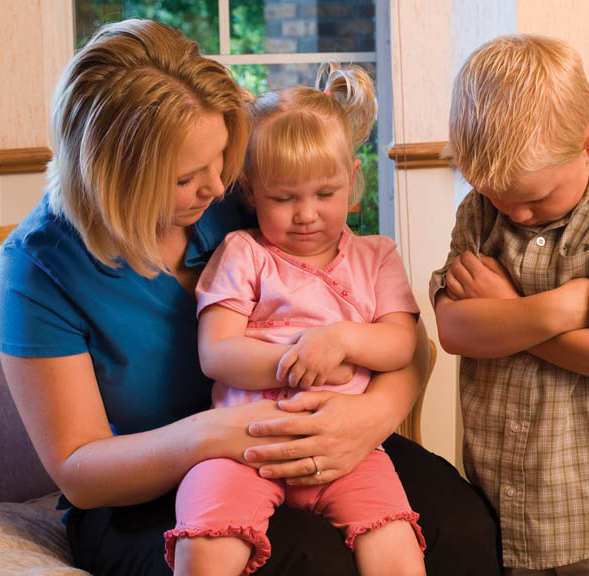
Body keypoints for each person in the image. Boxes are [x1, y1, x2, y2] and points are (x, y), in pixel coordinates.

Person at [0, 18, 501, 576]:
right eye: (189, 177)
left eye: (222, 162)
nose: (216, 187)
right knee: (307, 560)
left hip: (315, 432)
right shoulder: (39, 267)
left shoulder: (254, 193)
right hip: (144, 487)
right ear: (116, 176)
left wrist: (368, 419)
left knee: (463, 527)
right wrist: (220, 433)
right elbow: (78, 468)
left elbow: (409, 345)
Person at [431, 34, 589, 575]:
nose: (516, 215)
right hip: (504, 502)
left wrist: (503, 309)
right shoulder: (480, 210)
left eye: (536, 198)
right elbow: (454, 328)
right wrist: (555, 308)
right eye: (498, 197)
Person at [164, 63, 426, 576]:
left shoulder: (377, 256)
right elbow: (216, 352)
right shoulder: (242, 251)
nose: (306, 213)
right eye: (284, 198)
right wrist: (296, 362)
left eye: (324, 194)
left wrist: (342, 340)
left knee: (396, 548)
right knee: (207, 545)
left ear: (353, 181)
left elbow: (401, 345)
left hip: (345, 453)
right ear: (250, 193)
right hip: (243, 448)